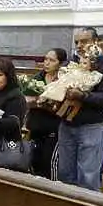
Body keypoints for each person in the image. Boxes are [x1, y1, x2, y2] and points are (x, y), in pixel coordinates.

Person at [56, 27, 103, 191]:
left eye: (84, 41)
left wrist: (82, 95)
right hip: (67, 123)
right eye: (77, 42)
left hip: (92, 125)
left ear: (95, 42)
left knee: (88, 174)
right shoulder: (71, 64)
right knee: (64, 173)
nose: (79, 45)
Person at [25, 48, 67, 178]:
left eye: (52, 60)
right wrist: (36, 101)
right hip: (36, 128)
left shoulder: (63, 81)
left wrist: (48, 103)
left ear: (60, 63)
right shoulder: (37, 78)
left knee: (49, 163)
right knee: (34, 162)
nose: (47, 63)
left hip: (53, 130)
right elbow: (26, 98)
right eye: (45, 59)